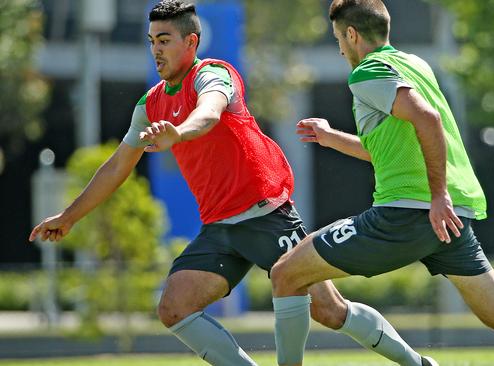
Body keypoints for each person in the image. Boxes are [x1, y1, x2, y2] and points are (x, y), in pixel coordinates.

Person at [28, 1, 434, 365]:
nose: (156, 50)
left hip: (267, 214)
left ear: (192, 41)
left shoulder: (215, 75)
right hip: (221, 228)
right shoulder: (150, 103)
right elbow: (116, 167)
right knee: (174, 307)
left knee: (329, 311)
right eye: (152, 40)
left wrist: (180, 133)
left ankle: (417, 364)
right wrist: (70, 215)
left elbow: (209, 112)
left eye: (165, 40)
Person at [269, 1, 494, 366]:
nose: (339, 48)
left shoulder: (367, 71)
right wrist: (332, 137)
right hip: (449, 216)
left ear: (352, 34)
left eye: (338, 39)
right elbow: (394, 147)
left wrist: (436, 195)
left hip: (408, 214)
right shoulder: (415, 65)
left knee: (286, 273)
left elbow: (428, 120)